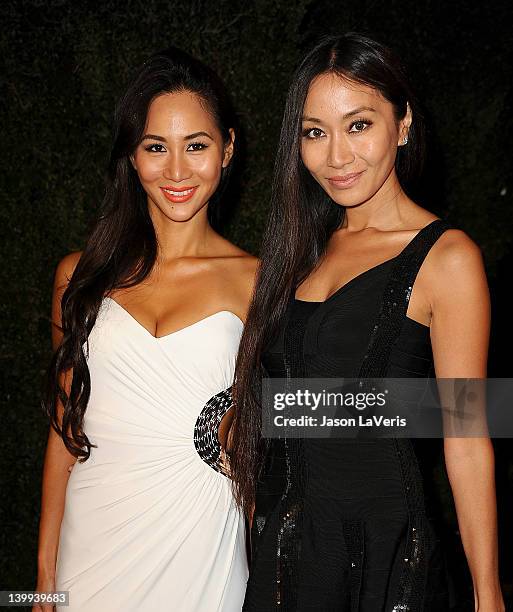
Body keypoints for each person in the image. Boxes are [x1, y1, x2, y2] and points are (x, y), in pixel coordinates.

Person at [230, 33, 504, 611]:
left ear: (402, 124)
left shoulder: (447, 258)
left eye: (359, 125)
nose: (336, 157)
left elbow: (467, 435)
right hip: (287, 554)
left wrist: (487, 592)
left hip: (385, 555)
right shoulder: (299, 251)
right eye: (315, 132)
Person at [34, 47, 256, 611]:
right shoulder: (77, 277)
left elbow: (295, 416)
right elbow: (65, 434)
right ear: (132, 157)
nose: (176, 171)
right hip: (90, 553)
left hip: (202, 544)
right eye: (156, 147)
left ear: (227, 149)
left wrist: (465, 408)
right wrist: (43, 581)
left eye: (196, 146)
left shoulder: (259, 283)